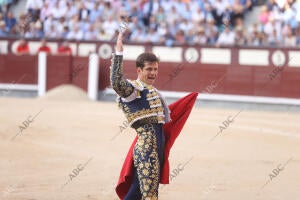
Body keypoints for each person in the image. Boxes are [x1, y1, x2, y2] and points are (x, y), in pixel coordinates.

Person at [111, 28, 169, 200]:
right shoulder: (132, 90)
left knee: (136, 192)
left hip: (157, 149)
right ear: (139, 70)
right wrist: (119, 51)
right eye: (149, 69)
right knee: (150, 195)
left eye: (155, 69)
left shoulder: (153, 91)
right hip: (146, 149)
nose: (153, 73)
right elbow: (116, 82)